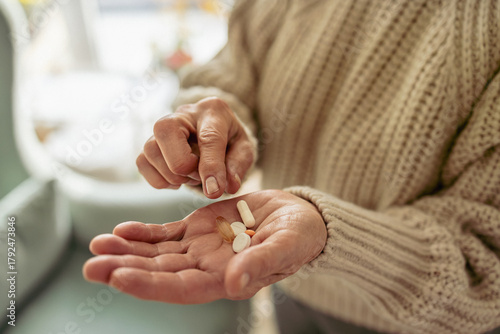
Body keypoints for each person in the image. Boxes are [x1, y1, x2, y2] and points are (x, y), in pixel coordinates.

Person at [83, 0, 500, 333]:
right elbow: (235, 68)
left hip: (422, 318)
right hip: (284, 277)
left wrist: (329, 231)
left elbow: (485, 263)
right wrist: (212, 124)